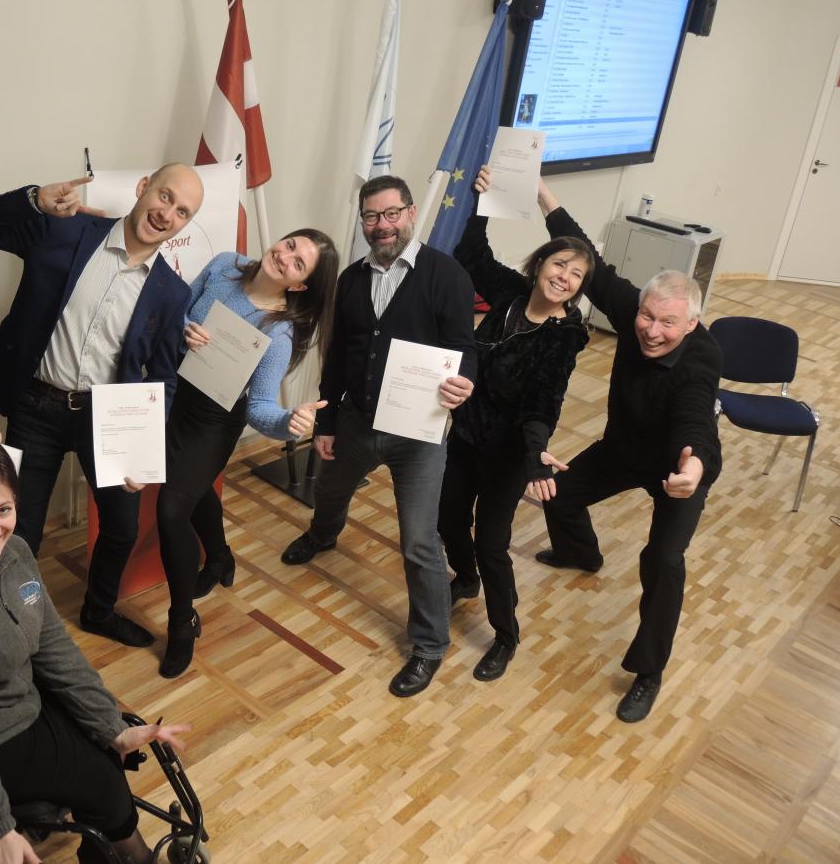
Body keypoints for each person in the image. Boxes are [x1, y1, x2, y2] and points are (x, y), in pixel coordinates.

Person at [0, 438, 189, 864]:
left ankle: (110, 851)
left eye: (3, 510)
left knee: (105, 751)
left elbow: (55, 648)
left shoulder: (15, 554)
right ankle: (133, 856)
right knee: (98, 779)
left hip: (16, 697)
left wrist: (111, 726)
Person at [0, 164, 203, 650]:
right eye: (164, 197)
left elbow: (162, 376)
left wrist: (142, 450)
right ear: (142, 189)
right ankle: (15, 629)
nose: (166, 214)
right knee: (19, 531)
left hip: (108, 420)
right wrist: (33, 199)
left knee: (122, 527)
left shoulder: (171, 293)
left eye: (182, 212)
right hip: (36, 405)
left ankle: (98, 611)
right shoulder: (66, 230)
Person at [280, 174, 478, 698]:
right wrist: (325, 423)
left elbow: (465, 349)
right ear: (363, 221)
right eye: (372, 217)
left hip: (419, 436)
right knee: (329, 490)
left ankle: (430, 646)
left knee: (418, 541)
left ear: (410, 214)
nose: (382, 225)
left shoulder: (447, 276)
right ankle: (324, 534)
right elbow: (339, 354)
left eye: (391, 214)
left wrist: (466, 382)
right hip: (358, 422)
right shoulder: (349, 279)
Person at [532, 178, 722, 723]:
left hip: (676, 467)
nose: (653, 331)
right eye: (647, 317)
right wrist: (547, 197)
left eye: (668, 324)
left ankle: (649, 671)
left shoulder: (701, 358)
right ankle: (580, 553)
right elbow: (591, 261)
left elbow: (695, 417)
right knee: (555, 493)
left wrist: (694, 466)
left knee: (663, 561)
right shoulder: (632, 310)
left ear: (691, 324)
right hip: (622, 449)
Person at [155, 230, 339, 678]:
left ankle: (182, 622)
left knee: (170, 509)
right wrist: (182, 331)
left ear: (299, 286)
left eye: (299, 264)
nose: (286, 257)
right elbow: (173, 316)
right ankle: (219, 556)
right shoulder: (223, 264)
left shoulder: (278, 332)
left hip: (212, 422)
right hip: (168, 394)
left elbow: (260, 408)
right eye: (291, 245)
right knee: (195, 492)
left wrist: (288, 422)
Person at [438, 165, 593, 684]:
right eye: (561, 264)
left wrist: (532, 458)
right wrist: (484, 204)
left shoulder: (563, 337)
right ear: (542, 262)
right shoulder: (509, 293)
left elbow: (542, 405)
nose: (565, 277)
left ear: (577, 290)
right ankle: (465, 581)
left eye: (577, 276)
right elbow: (471, 258)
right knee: (447, 520)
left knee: (492, 544)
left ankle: (505, 636)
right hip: (465, 436)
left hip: (508, 454)